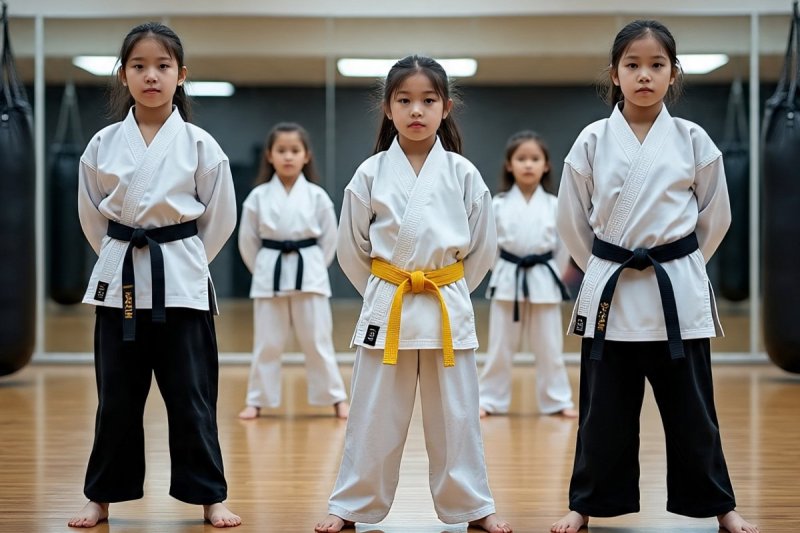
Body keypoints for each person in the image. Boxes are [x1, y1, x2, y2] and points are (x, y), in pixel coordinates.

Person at [551, 20, 758, 533]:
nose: (644, 75)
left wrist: (681, 264)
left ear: (673, 73)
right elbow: (571, 222)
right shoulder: (592, 140)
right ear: (614, 74)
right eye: (633, 65)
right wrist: (604, 267)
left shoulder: (693, 139)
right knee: (602, 414)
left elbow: (716, 218)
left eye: (656, 65)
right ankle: (585, 504)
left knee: (694, 413)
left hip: (676, 295)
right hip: (612, 294)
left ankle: (720, 506)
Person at [314, 55, 512, 533]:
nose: (416, 110)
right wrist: (384, 289)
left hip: (444, 302)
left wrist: (447, 285)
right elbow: (351, 250)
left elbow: (482, 249)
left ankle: (473, 506)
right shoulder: (369, 174)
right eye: (404, 100)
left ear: (446, 107)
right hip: (390, 301)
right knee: (372, 413)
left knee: (457, 416)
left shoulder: (463, 174)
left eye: (428, 100)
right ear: (388, 108)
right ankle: (352, 505)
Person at [69, 22, 240, 529]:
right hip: (119, 283)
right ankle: (101, 497)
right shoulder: (102, 144)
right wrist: (118, 255)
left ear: (180, 75)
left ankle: (210, 497)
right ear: (123, 75)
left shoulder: (200, 145)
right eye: (139, 66)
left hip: (182, 284)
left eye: (162, 66)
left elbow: (220, 218)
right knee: (116, 400)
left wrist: (185, 259)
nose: (151, 76)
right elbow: (92, 216)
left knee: (192, 398)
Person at [237, 122, 349, 420]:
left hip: (308, 272)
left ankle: (336, 398)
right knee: (267, 343)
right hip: (270, 272)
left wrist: (315, 266)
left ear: (306, 155)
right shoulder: (258, 196)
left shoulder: (317, 196)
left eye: (295, 150)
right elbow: (247, 241)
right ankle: (257, 400)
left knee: (317, 341)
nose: (288, 156)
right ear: (270, 156)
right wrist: (263, 268)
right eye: (281, 150)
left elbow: (331, 239)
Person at [478, 130, 577, 419]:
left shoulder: (555, 205)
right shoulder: (497, 204)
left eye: (535, 159)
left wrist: (553, 274)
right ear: (510, 165)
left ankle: (557, 400)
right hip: (508, 277)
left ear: (546, 165)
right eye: (521, 159)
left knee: (550, 347)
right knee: (500, 347)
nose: (528, 164)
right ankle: (490, 399)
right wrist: (503, 271)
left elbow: (563, 248)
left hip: (544, 278)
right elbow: (489, 247)